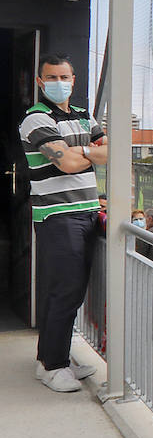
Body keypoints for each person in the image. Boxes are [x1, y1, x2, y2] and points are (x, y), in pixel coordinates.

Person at [21, 52, 108, 392]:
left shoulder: (85, 116)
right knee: (64, 289)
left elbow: (111, 153)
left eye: (65, 77)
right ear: (41, 82)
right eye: (52, 78)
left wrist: (79, 151)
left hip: (87, 210)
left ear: (74, 80)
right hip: (57, 215)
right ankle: (50, 366)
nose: (59, 83)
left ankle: (58, 354)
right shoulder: (35, 119)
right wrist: (90, 151)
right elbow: (67, 165)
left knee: (74, 291)